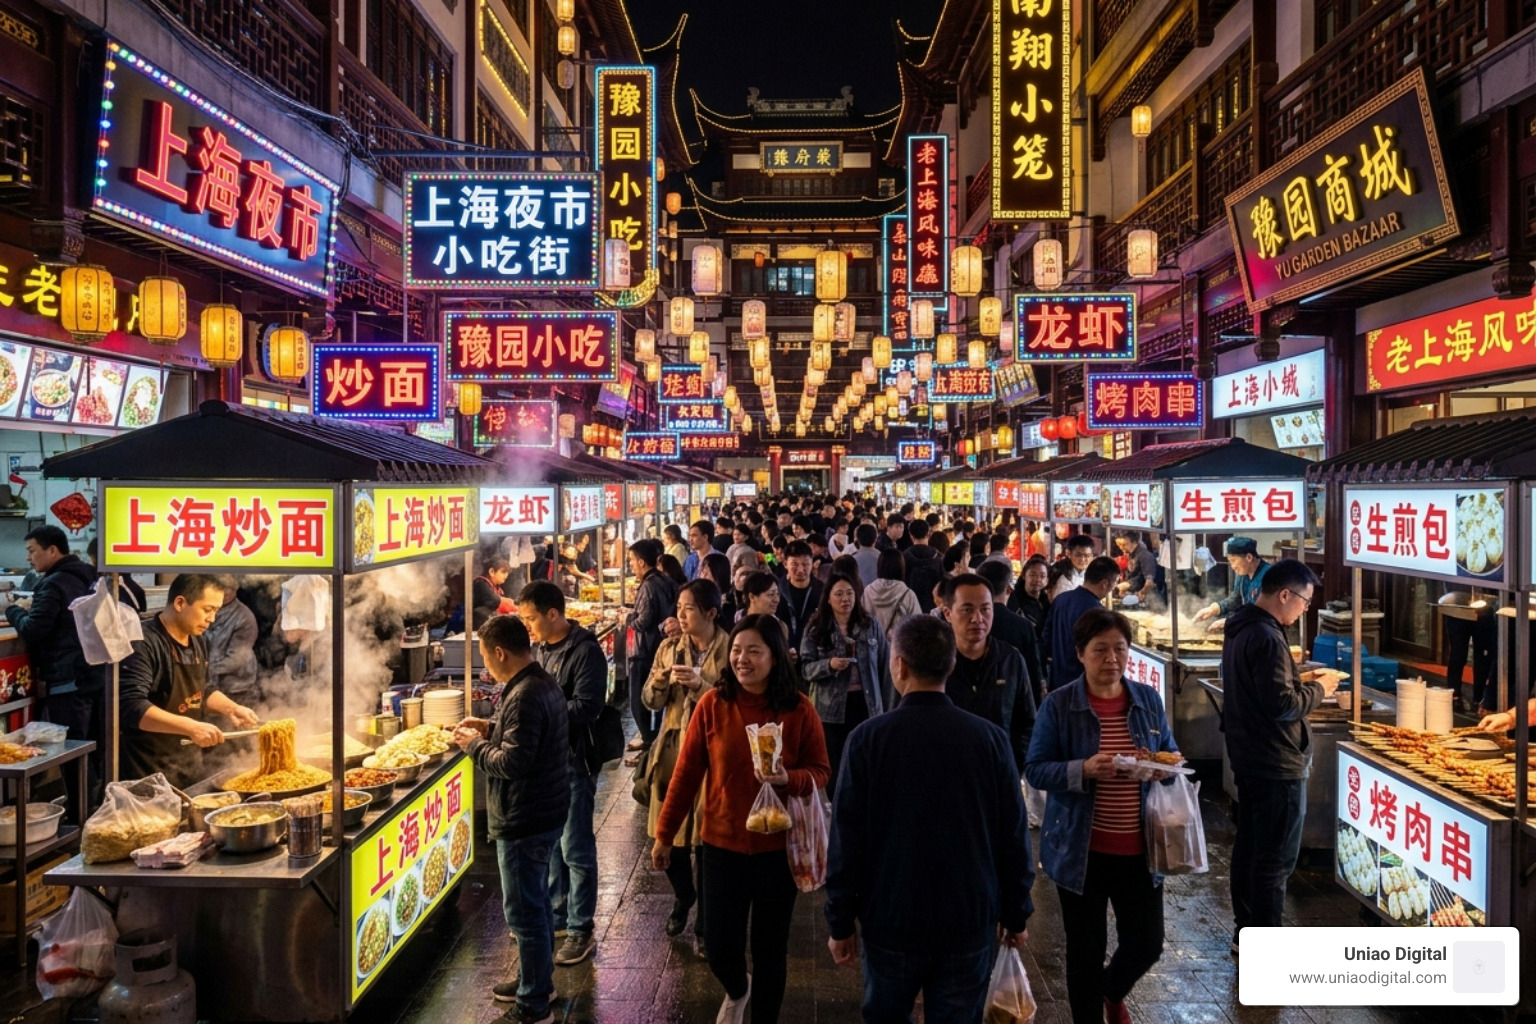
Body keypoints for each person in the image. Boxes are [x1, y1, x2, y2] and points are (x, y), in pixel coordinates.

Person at [825, 615, 1033, 1020]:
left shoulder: (867, 740)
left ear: (898, 665)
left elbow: (846, 841)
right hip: (969, 918)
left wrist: (840, 920)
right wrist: (1016, 911)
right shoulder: (990, 739)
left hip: (890, 918)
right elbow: (1013, 833)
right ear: (951, 664)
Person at [652, 615, 831, 1024]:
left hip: (777, 850)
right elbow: (686, 773)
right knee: (719, 945)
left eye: (754, 651)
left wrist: (790, 778)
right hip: (720, 844)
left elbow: (821, 770)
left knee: (771, 949)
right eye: (736, 650)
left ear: (775, 657)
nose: (742, 659)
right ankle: (737, 987)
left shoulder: (799, 709)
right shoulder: (713, 705)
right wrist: (665, 835)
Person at [1026, 608, 1180, 1024]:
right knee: (1085, 953)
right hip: (1082, 851)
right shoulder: (1060, 705)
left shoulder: (1146, 700)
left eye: (1119, 649)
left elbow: (1169, 751)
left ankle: (1113, 991)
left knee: (1148, 943)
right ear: (1080, 654)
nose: (1112, 658)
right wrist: (1083, 769)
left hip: (1140, 850)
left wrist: (1161, 768)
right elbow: (1036, 768)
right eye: (1100, 650)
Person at [452, 615, 569, 1024]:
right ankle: (536, 980)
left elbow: (514, 761)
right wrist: (489, 725)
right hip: (544, 810)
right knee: (533, 907)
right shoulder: (538, 680)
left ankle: (534, 1003)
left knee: (526, 912)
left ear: (500, 652)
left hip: (526, 817)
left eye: (486, 658)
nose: (486, 667)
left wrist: (475, 746)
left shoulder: (525, 693)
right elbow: (525, 738)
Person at [1221, 559, 1334, 954]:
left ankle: (1244, 933)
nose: (1305, 609)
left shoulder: (1241, 626)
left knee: (1250, 847)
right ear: (1284, 594)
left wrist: (1299, 679)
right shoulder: (1267, 637)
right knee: (1274, 860)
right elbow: (1282, 705)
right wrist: (1323, 689)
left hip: (1249, 756)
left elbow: (1263, 689)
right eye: (1304, 601)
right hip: (1275, 762)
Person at [517, 582, 607, 968]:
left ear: (553, 614)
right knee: (553, 846)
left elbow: (588, 706)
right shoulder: (540, 648)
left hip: (574, 762)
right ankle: (557, 913)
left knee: (576, 848)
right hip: (548, 764)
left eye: (531, 618)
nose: (528, 627)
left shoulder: (585, 651)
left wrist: (540, 712)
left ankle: (580, 927)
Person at [642, 578, 730, 954]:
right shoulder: (669, 648)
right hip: (674, 749)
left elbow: (736, 702)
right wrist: (660, 683)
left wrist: (702, 683)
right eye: (679, 607)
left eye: (688, 608)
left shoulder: (731, 649)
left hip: (716, 753)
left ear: (710, 613)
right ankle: (684, 895)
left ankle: (708, 925)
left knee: (709, 844)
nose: (680, 614)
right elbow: (649, 701)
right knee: (670, 839)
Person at [119, 574, 258, 789]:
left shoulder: (198, 640)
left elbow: (202, 689)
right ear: (180, 603)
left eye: (216, 611)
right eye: (207, 609)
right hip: (147, 770)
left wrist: (231, 708)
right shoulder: (143, 643)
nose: (212, 619)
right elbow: (131, 706)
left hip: (187, 764)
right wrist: (191, 727)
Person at [4, 526, 108, 800]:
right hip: (95, 674)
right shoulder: (89, 575)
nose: (29, 558)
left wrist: (12, 609)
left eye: (32, 551)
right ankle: (94, 808)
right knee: (93, 750)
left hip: (67, 679)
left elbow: (34, 630)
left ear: (52, 550)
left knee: (73, 750)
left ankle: (78, 816)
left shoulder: (52, 584)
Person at [801, 574, 891, 794]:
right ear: (828, 599)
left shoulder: (869, 624)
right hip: (831, 710)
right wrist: (828, 665)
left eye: (850, 593)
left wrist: (886, 706)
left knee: (866, 764)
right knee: (836, 767)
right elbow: (805, 669)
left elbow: (884, 665)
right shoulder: (816, 628)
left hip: (866, 703)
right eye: (839, 594)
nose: (845, 599)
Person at [943, 573, 1036, 776]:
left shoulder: (1010, 659)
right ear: (948, 613)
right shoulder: (935, 662)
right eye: (967, 609)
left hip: (999, 774)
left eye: (985, 609)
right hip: (948, 775)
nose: (978, 618)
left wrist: (1015, 767)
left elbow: (1026, 722)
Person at [625, 539, 677, 765]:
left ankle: (647, 745)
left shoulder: (648, 585)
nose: (631, 566)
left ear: (641, 562)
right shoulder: (665, 578)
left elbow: (644, 621)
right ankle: (649, 738)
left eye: (631, 561)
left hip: (645, 649)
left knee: (639, 699)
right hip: (659, 646)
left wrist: (627, 617)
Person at [977, 560, 1045, 707]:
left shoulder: (969, 623)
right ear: (1008, 589)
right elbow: (1033, 673)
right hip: (1014, 702)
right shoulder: (1023, 626)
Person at [1046, 557, 1120, 691]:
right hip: (1081, 685)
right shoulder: (1097, 613)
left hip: (1057, 682)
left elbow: (1046, 638)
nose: (1112, 589)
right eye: (1114, 584)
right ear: (1105, 584)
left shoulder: (1061, 599)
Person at [204, 575, 259, 710]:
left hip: (237, 689)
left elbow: (236, 659)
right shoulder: (205, 609)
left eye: (224, 589)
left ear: (233, 590)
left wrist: (202, 672)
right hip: (210, 686)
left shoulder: (245, 617)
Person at [1194, 537, 1271, 631]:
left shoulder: (1268, 575)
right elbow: (1236, 598)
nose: (1232, 567)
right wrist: (1214, 609)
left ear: (1249, 557)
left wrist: (1231, 621)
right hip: (1249, 629)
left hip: (1266, 632)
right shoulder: (1243, 573)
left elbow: (1262, 613)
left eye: (1233, 561)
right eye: (1230, 562)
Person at [860, 549, 921, 639]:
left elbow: (861, 622)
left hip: (873, 648)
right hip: (898, 648)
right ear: (901, 567)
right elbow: (918, 626)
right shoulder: (907, 594)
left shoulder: (867, 592)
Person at [775, 540, 822, 653]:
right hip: (784, 652)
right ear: (785, 564)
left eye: (805, 564)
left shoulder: (823, 591)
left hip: (815, 653)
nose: (800, 570)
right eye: (795, 564)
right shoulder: (777, 591)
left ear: (812, 563)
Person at [901, 519, 945, 614]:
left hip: (909, 608)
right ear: (928, 534)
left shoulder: (903, 557)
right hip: (933, 610)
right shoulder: (939, 558)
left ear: (911, 536)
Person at [1009, 555, 1052, 638]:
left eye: (1042, 576)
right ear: (1024, 576)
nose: (1037, 579)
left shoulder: (1046, 602)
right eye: (1032, 575)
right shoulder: (1014, 600)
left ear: (1047, 580)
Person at [1114, 533, 1158, 605]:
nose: (1122, 548)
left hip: (1151, 599)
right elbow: (1134, 577)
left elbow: (1150, 583)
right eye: (1120, 545)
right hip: (1136, 596)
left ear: (1134, 542)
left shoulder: (1145, 556)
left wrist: (1141, 593)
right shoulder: (1131, 555)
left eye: (1125, 545)